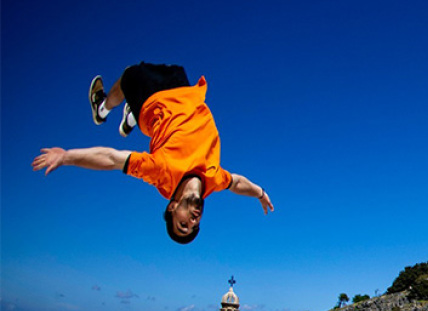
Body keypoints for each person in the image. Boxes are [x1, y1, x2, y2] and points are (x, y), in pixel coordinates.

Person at [32, 62, 273, 244]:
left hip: (152, 101)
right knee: (176, 67)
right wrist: (260, 194)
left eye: (182, 224)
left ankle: (102, 109)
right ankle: (130, 116)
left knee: (129, 75)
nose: (193, 220)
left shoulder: (161, 173)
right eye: (194, 225)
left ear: (172, 207)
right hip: (184, 91)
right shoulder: (213, 180)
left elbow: (112, 159)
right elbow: (238, 183)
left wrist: (65, 157)